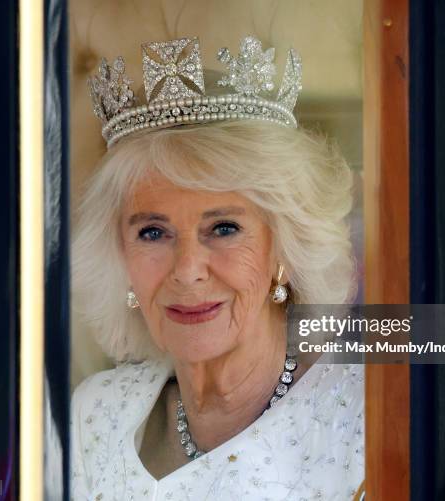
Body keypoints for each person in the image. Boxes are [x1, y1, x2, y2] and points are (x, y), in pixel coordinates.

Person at [71, 36, 364, 500]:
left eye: (224, 228)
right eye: (152, 232)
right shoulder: (96, 414)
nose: (187, 271)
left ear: (282, 253)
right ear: (119, 257)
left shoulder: (363, 419)